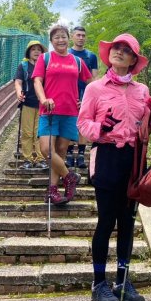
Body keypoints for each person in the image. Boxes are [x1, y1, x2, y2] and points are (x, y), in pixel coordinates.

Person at [78, 33, 151, 301]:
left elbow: (145, 128)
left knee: (127, 223)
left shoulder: (142, 91)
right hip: (107, 158)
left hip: (134, 160)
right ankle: (98, 283)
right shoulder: (95, 89)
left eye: (127, 50)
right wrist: (100, 129)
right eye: (117, 48)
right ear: (110, 53)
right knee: (106, 222)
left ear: (134, 60)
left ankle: (123, 281)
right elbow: (83, 123)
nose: (120, 52)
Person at [33, 24, 93, 204]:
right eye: (56, 37)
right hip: (49, 110)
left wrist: (86, 101)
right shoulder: (45, 58)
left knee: (60, 151)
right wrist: (44, 99)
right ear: (51, 41)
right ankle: (70, 177)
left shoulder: (77, 61)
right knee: (46, 149)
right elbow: (37, 81)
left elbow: (92, 83)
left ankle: (53, 191)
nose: (61, 40)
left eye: (63, 36)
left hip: (70, 112)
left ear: (69, 38)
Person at [66, 25, 99, 169]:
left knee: (83, 124)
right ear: (72, 36)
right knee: (69, 123)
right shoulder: (66, 54)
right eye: (78, 35)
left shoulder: (91, 56)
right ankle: (68, 154)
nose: (80, 38)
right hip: (68, 94)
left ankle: (80, 155)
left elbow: (94, 78)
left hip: (85, 94)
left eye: (83, 35)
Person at [14, 40, 48, 169]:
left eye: (39, 49)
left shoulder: (46, 65)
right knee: (27, 132)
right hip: (27, 103)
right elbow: (18, 82)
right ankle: (27, 159)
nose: (36, 52)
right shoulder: (23, 65)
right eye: (33, 49)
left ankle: (41, 159)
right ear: (29, 52)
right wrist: (19, 93)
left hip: (42, 104)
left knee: (39, 132)